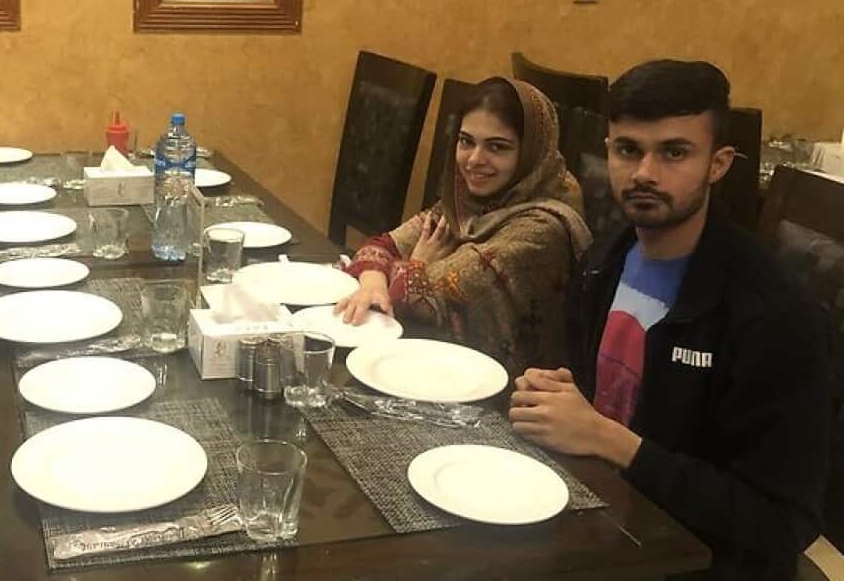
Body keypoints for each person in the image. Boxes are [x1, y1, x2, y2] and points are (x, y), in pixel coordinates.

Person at [509, 60, 832, 579]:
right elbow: (590, 396)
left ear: (719, 163)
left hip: (695, 562)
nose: (644, 173)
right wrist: (556, 395)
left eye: (674, 152)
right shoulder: (604, 262)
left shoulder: (774, 316)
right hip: (605, 526)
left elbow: (781, 523)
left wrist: (607, 438)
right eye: (628, 149)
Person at [335, 78, 592, 375]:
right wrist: (372, 281)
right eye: (466, 141)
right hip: (438, 366)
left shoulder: (542, 230)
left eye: (497, 147)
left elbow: (416, 300)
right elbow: (382, 245)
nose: (474, 160)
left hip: (508, 402)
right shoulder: (465, 203)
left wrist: (416, 264)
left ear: (533, 151)